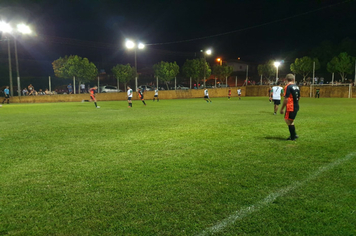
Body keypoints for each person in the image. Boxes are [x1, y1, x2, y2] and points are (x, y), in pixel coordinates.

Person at [280, 74, 300, 141]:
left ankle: (292, 137)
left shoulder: (288, 87)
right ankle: (294, 134)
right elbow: (299, 97)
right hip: (296, 105)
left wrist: (282, 108)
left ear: (286, 80)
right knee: (290, 120)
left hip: (290, 106)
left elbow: (286, 99)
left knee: (288, 120)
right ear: (293, 79)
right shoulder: (296, 86)